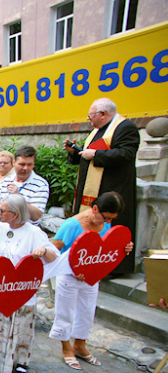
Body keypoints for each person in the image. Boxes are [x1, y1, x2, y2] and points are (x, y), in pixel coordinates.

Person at [0, 193, 59, 373]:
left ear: (16, 214)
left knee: (22, 327)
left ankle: (21, 363)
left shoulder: (34, 233)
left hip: (22, 289)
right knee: (0, 325)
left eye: (3, 210)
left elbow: (54, 257)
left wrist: (43, 252)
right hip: (0, 289)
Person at [49, 192, 133, 370]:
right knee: (65, 312)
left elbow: (106, 247)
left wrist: (124, 247)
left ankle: (80, 345)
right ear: (95, 209)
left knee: (87, 311)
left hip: (92, 276)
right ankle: (66, 348)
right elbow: (54, 249)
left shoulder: (104, 224)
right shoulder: (73, 224)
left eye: (112, 219)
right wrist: (72, 268)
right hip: (69, 275)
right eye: (107, 217)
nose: (108, 222)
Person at [65, 97, 139, 275]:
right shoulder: (98, 130)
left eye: (90, 116)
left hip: (112, 190)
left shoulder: (125, 128)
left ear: (103, 114)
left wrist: (96, 154)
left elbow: (126, 154)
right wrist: (75, 152)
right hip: (92, 190)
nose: (89, 120)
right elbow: (87, 154)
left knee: (108, 229)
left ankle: (111, 267)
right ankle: (87, 260)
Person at [0, 145, 49, 226]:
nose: (25, 168)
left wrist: (18, 197)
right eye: (22, 164)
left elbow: (36, 216)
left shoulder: (41, 184)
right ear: (14, 162)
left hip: (27, 233)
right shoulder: (6, 181)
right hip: (5, 230)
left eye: (29, 165)